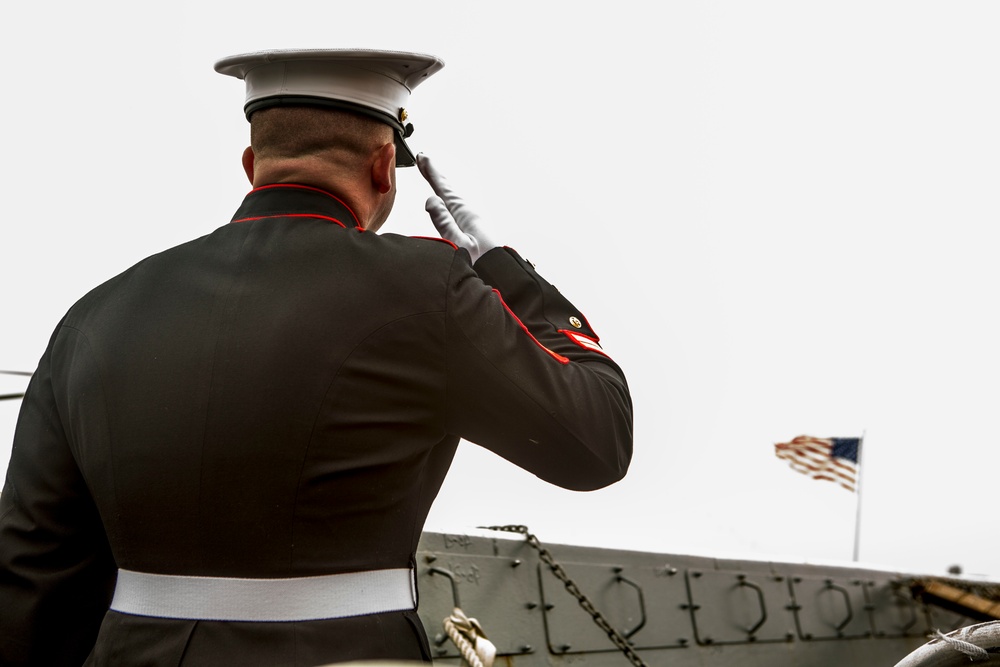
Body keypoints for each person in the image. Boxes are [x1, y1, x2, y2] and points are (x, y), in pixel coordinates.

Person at [0, 49, 633, 665]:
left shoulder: (95, 313)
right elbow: (596, 441)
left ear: (252, 163)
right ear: (386, 167)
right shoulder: (423, 287)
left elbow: (33, 566)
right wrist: (502, 271)